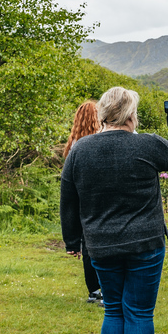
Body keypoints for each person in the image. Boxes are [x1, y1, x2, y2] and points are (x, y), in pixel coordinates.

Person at [60, 87, 168, 334]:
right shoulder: (146, 144)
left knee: (114, 311)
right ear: (131, 115)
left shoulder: (80, 150)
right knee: (140, 314)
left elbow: (68, 198)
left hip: (101, 246)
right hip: (145, 245)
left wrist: (72, 241)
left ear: (103, 114)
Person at [63, 100, 104, 306]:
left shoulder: (72, 146)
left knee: (87, 246)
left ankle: (93, 290)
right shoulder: (99, 142)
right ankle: (102, 288)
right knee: (97, 245)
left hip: (80, 199)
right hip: (96, 199)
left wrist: (71, 239)